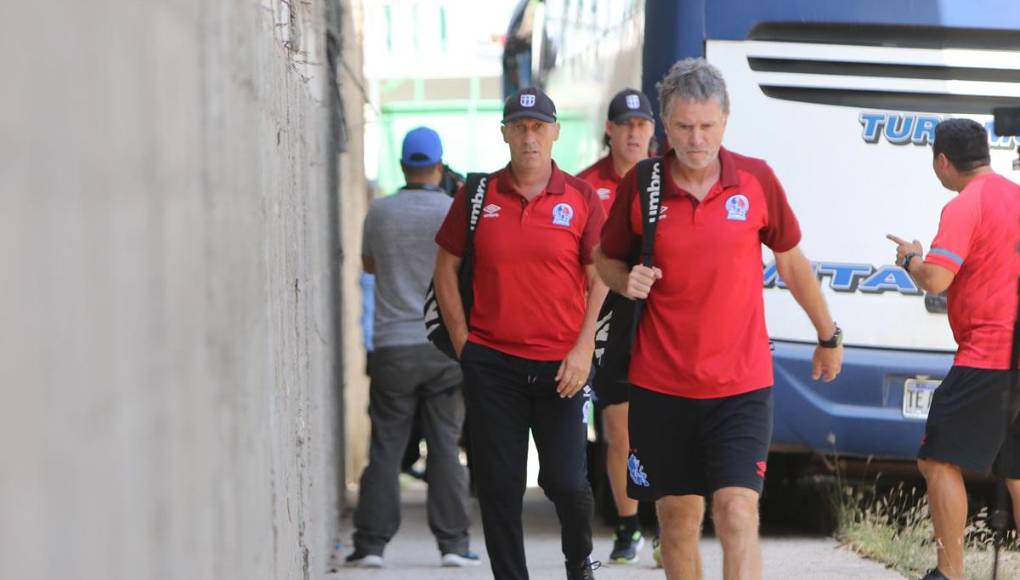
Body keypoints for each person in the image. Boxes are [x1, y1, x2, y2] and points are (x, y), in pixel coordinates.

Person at [594, 58, 844, 580]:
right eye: (684, 126)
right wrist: (624, 280)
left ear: (725, 122)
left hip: (740, 385)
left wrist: (828, 333)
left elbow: (792, 262)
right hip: (662, 386)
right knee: (678, 519)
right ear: (666, 125)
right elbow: (606, 258)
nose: (696, 138)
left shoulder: (755, 180)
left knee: (736, 510)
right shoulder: (643, 185)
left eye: (707, 126)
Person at [433, 87, 608, 580]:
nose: (529, 137)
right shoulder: (477, 195)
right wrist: (465, 342)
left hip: (563, 368)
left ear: (555, 133)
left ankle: (579, 561)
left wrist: (583, 347)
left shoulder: (580, 197)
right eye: (519, 127)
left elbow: (600, 278)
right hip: (493, 365)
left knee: (568, 482)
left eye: (538, 127)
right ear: (505, 134)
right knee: (499, 487)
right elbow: (446, 269)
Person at [886, 118, 1020, 580]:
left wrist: (911, 260)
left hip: (988, 354)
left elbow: (937, 279)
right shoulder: (1015, 195)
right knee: (1017, 471)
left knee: (937, 458)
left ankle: (950, 574)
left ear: (943, 161)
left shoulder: (966, 205)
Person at [346, 126, 479, 569]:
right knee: (444, 444)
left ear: (404, 166)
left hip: (391, 347)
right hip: (442, 349)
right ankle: (454, 545)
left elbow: (369, 265)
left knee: (386, 444)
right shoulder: (452, 210)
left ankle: (370, 546)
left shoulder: (379, 213)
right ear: (439, 167)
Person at [576, 88, 656, 565]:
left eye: (642, 124)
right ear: (609, 129)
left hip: (662, 315)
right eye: (625, 124)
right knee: (617, 425)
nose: (633, 132)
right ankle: (627, 528)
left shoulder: (669, 178)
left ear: (652, 131)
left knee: (671, 425)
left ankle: (670, 522)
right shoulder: (586, 186)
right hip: (606, 318)